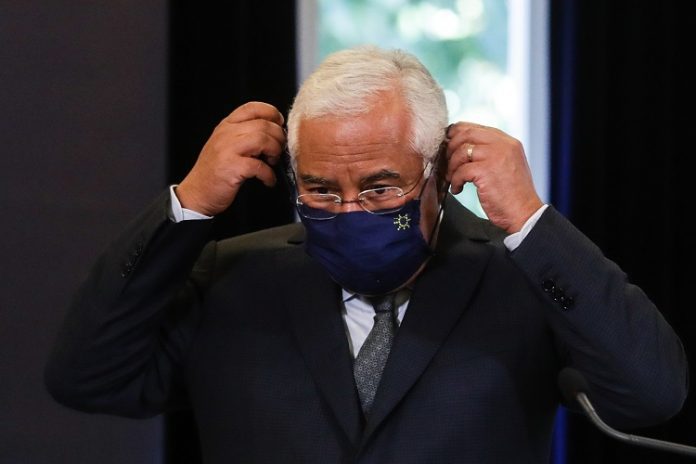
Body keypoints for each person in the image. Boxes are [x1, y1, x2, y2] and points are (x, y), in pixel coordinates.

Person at [45, 45, 687, 463]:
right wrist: (188, 207)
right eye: (322, 189)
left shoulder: (521, 277)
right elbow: (87, 377)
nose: (350, 211)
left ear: (439, 171)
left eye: (381, 188)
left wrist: (530, 222)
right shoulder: (230, 277)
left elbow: (652, 394)